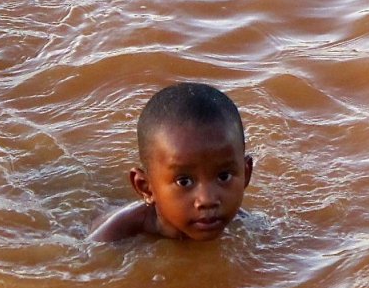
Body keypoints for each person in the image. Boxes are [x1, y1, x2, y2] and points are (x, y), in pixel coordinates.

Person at [88, 82, 253, 243]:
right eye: (184, 181)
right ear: (145, 187)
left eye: (223, 177)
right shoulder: (111, 237)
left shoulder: (247, 226)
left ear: (246, 174)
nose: (207, 200)